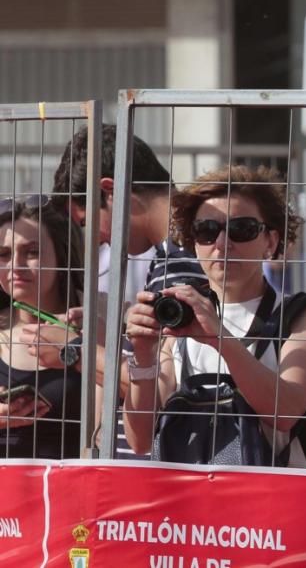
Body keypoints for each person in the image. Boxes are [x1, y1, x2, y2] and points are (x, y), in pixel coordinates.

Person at [122, 165, 306, 467]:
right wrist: (142, 359)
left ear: (271, 242)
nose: (222, 243)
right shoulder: (181, 316)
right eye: (206, 231)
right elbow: (140, 440)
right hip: (194, 509)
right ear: (192, 242)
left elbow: (286, 412)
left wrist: (219, 339)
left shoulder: (304, 314)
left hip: (277, 506)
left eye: (242, 229)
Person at [46, 123, 206, 460]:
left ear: (110, 192)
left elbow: (164, 392)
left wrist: (77, 350)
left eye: (88, 222)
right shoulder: (174, 254)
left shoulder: (185, 260)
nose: (99, 238)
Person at [0, 195, 84, 458]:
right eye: (3, 254)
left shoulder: (93, 325)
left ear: (62, 255)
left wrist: (79, 350)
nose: (16, 266)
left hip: (67, 491)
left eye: (33, 252)